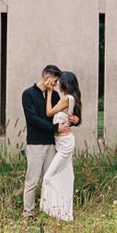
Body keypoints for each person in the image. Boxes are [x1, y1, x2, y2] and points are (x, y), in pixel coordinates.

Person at [20, 66, 78, 223]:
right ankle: (28, 212)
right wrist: (54, 127)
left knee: (51, 177)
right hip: (36, 144)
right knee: (32, 179)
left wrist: (73, 121)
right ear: (46, 77)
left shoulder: (55, 96)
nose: (56, 84)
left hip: (53, 143)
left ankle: (51, 209)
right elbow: (33, 119)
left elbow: (60, 117)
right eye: (54, 80)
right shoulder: (28, 94)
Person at [40, 71, 82, 223]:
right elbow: (74, 119)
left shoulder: (67, 99)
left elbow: (49, 112)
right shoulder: (71, 98)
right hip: (62, 141)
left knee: (48, 176)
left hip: (65, 143)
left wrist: (50, 92)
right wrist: (75, 120)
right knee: (66, 175)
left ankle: (53, 209)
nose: (57, 83)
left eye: (59, 81)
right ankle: (64, 212)